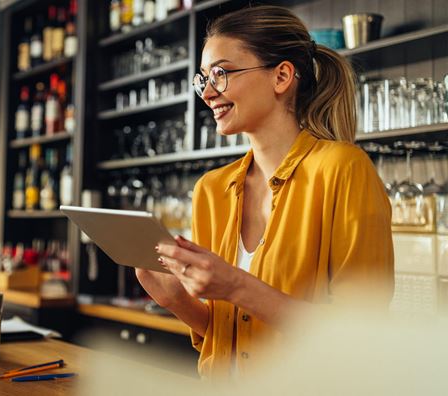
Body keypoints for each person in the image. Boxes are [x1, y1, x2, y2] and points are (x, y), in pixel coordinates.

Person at [135, 5, 394, 380]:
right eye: (203, 79)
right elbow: (232, 338)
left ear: (282, 76)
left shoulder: (342, 168)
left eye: (221, 74)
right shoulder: (211, 190)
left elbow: (360, 335)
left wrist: (237, 286)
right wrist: (175, 300)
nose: (207, 93)